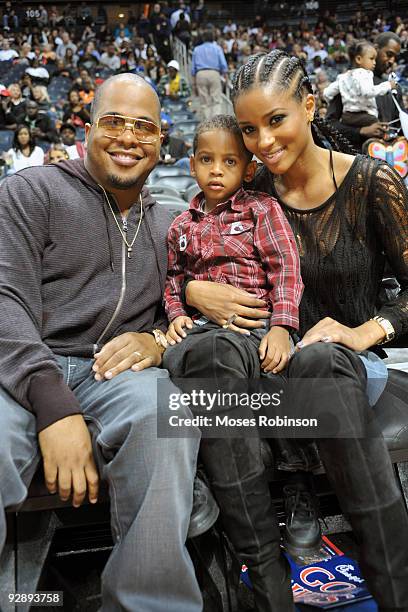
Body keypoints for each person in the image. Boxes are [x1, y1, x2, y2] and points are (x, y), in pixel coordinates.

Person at [180, 49, 408, 611]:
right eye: (249, 130)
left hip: (346, 368)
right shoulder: (241, 196)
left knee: (317, 361)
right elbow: (190, 261)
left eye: (275, 120)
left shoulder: (371, 182)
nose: (262, 142)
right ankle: (265, 590)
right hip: (266, 377)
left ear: (309, 106)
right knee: (216, 368)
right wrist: (191, 292)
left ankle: (396, 592)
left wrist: (367, 330)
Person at [0, 73, 202, 612]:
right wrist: (53, 405)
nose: (128, 138)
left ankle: (150, 603)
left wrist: (158, 341)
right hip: (23, 370)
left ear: (163, 143)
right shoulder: (31, 190)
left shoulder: (170, 223)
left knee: (168, 412)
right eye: (113, 122)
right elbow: (4, 298)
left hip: (111, 374)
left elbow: (187, 314)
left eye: (144, 128)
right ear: (87, 130)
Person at [164, 114, 303, 378]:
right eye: (206, 159)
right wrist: (176, 315)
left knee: (234, 357)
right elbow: (173, 280)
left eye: (230, 161)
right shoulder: (179, 225)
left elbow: (285, 268)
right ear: (192, 165)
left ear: (248, 170)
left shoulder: (261, 209)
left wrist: (282, 327)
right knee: (175, 356)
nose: (216, 169)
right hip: (199, 327)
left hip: (254, 325)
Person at [326, 32, 404, 147]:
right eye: (389, 54)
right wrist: (361, 131)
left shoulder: (394, 88)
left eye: (394, 57)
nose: (392, 61)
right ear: (376, 49)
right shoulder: (349, 80)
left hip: (388, 158)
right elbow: (329, 124)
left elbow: (400, 126)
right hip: (358, 157)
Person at [323, 40, 396, 129]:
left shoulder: (343, 76)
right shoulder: (365, 74)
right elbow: (367, 92)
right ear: (358, 59)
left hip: (347, 117)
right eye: (371, 59)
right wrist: (388, 85)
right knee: (380, 128)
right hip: (365, 116)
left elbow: (327, 93)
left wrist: (329, 101)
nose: (374, 62)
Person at [191, 28, 228, 119]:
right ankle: (215, 122)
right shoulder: (217, 48)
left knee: (204, 102)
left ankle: (208, 122)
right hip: (214, 73)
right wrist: (225, 75)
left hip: (200, 74)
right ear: (213, 37)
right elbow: (223, 64)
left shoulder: (196, 49)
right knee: (216, 100)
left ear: (203, 38)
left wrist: (194, 84)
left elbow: (192, 69)